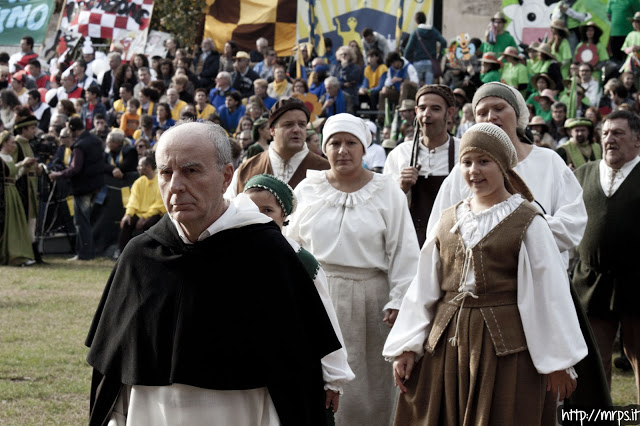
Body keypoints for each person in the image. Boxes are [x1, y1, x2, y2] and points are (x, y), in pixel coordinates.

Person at [85, 121, 342, 425]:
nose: (176, 185)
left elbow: (298, 365)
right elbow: (113, 367)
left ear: (226, 177)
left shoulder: (268, 254)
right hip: (154, 414)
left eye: (191, 171)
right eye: (166, 173)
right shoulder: (140, 256)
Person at [427, 81, 611, 418]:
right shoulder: (463, 170)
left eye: (499, 108)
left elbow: (572, 223)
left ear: (519, 115)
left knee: (535, 387)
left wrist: (520, 232)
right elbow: (439, 232)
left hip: (545, 287)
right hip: (480, 297)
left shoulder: (549, 162)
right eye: (482, 111)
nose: (491, 116)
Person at [383, 123, 587, 424]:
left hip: (504, 347)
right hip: (447, 343)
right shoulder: (449, 219)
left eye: (484, 161)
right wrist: (407, 346)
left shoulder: (528, 221)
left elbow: (549, 292)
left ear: (503, 165)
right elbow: (423, 289)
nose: (474, 171)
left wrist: (558, 361)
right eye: (467, 162)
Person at [284, 113, 419, 426]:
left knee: (369, 385)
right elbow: (292, 244)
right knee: (317, 379)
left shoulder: (387, 191)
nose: (342, 150)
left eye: (350, 143)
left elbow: (404, 251)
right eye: (334, 143)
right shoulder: (308, 189)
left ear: (363, 148)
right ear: (324, 148)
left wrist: (398, 298)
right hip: (318, 294)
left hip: (372, 298)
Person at [243, 173, 355, 415]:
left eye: (267, 210)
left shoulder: (300, 261)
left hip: (292, 365)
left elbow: (325, 319)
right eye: (251, 209)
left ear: (284, 217)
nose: (258, 217)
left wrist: (334, 378)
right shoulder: (232, 254)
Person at [573, 110, 640, 402]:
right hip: (591, 280)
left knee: (639, 357)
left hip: (638, 281)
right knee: (594, 360)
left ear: (637, 140)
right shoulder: (583, 174)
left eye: (618, 133)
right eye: (605, 134)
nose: (609, 139)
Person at [384, 84, 460, 247]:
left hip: (453, 242)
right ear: (416, 111)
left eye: (435, 109)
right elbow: (383, 207)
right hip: (411, 243)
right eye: (422, 108)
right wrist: (401, 188)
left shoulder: (463, 153)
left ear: (450, 113)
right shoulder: (399, 154)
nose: (427, 115)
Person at [226, 97, 329, 196]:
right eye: (288, 124)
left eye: (302, 124)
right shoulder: (246, 170)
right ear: (272, 130)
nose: (297, 129)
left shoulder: (326, 170)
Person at [49, 117, 104, 260]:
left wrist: (57, 174)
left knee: (81, 222)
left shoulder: (79, 145)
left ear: (73, 129)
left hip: (82, 188)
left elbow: (75, 169)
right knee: (87, 221)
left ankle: (84, 254)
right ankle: (88, 252)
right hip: (96, 186)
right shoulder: (96, 140)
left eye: (68, 129)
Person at [114, 153, 166, 259]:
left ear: (148, 167)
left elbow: (159, 204)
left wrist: (145, 216)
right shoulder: (138, 182)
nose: (138, 168)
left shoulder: (160, 181)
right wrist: (128, 214)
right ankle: (121, 251)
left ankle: (147, 254)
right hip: (139, 213)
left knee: (149, 224)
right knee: (126, 223)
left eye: (140, 165)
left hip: (155, 213)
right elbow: (133, 200)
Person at [0, 130, 35, 266]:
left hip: (12, 193)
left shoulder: (9, 159)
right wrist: (21, 164)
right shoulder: (1, 158)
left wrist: (24, 167)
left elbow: (13, 177)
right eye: (12, 143)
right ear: (4, 143)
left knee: (16, 225)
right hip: (5, 195)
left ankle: (18, 254)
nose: (14, 146)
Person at [403, 11, 447, 86]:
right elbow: (444, 42)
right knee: (429, 86)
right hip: (430, 62)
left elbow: (408, 48)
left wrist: (407, 60)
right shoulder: (433, 31)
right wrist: (439, 57)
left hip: (418, 62)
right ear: (425, 19)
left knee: (417, 86)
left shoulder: (415, 33)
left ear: (416, 21)